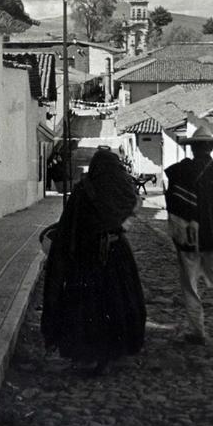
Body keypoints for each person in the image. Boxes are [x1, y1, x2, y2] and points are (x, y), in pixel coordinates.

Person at [41, 148, 146, 373]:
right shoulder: (123, 190)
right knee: (118, 301)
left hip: (87, 257)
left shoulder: (83, 191)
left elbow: (71, 224)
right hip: (117, 254)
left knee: (88, 305)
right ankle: (115, 351)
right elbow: (134, 206)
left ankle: (87, 353)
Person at [165, 126, 213, 347]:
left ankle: (197, 331)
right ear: (210, 148)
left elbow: (171, 203)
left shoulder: (179, 173)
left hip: (187, 238)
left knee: (190, 285)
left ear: (192, 148)